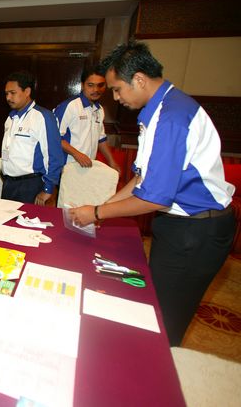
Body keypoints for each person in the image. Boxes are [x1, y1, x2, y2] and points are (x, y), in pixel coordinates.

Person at [69, 41, 236, 346]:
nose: (115, 98)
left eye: (117, 89)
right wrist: (104, 206)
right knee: (154, 303)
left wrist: (96, 212)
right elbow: (142, 178)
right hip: (180, 225)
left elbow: (154, 197)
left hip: (197, 229)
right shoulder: (160, 109)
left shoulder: (171, 117)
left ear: (139, 80)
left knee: (164, 319)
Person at [0, 71, 64, 205]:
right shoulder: (11, 118)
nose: (8, 97)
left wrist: (48, 188)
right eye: (6, 94)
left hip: (30, 185)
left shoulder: (42, 116)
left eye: (13, 93)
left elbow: (54, 156)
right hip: (9, 184)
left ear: (27, 91)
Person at [53, 65, 120, 172]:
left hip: (88, 167)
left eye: (100, 85)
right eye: (90, 85)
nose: (96, 90)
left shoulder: (99, 109)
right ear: (82, 85)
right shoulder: (70, 106)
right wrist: (77, 154)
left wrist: (112, 161)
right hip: (67, 167)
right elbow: (54, 137)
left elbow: (101, 139)